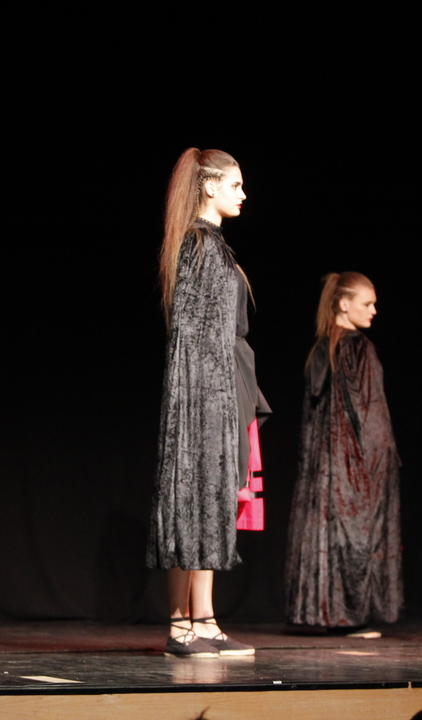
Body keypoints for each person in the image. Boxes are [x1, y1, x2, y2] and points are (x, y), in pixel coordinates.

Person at [147, 148, 270, 658]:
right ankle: (183, 623)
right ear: (210, 186)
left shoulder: (214, 246)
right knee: (192, 497)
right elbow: (191, 337)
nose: (244, 194)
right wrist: (204, 404)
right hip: (202, 393)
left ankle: (205, 620)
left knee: (209, 499)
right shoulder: (199, 245)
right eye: (236, 184)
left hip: (220, 388)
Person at [285, 272, 403, 631]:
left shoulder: (323, 348)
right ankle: (347, 614)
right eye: (367, 303)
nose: (374, 310)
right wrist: (383, 460)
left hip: (323, 467)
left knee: (325, 529)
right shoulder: (358, 349)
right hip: (352, 465)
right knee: (354, 532)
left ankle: (321, 612)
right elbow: (370, 414)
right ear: (343, 304)